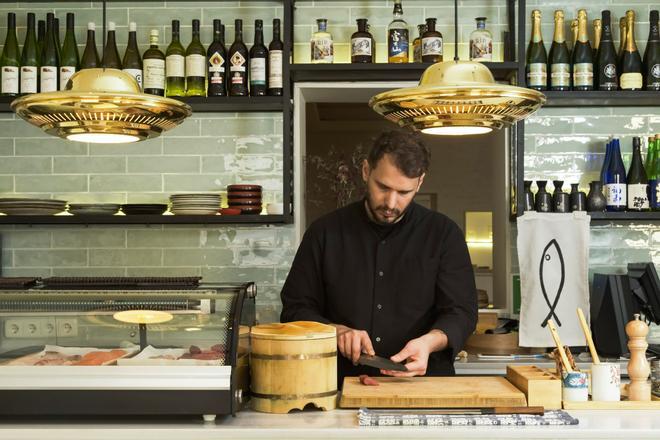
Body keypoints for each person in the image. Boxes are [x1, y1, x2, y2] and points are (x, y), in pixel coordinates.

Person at [280, 130, 477, 382]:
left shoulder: (444, 234)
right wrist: (336, 331)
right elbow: (295, 309)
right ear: (365, 171)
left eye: (404, 192)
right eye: (383, 187)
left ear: (419, 183)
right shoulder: (324, 233)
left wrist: (430, 342)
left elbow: (462, 312)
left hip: (424, 384)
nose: (391, 203)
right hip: (340, 384)